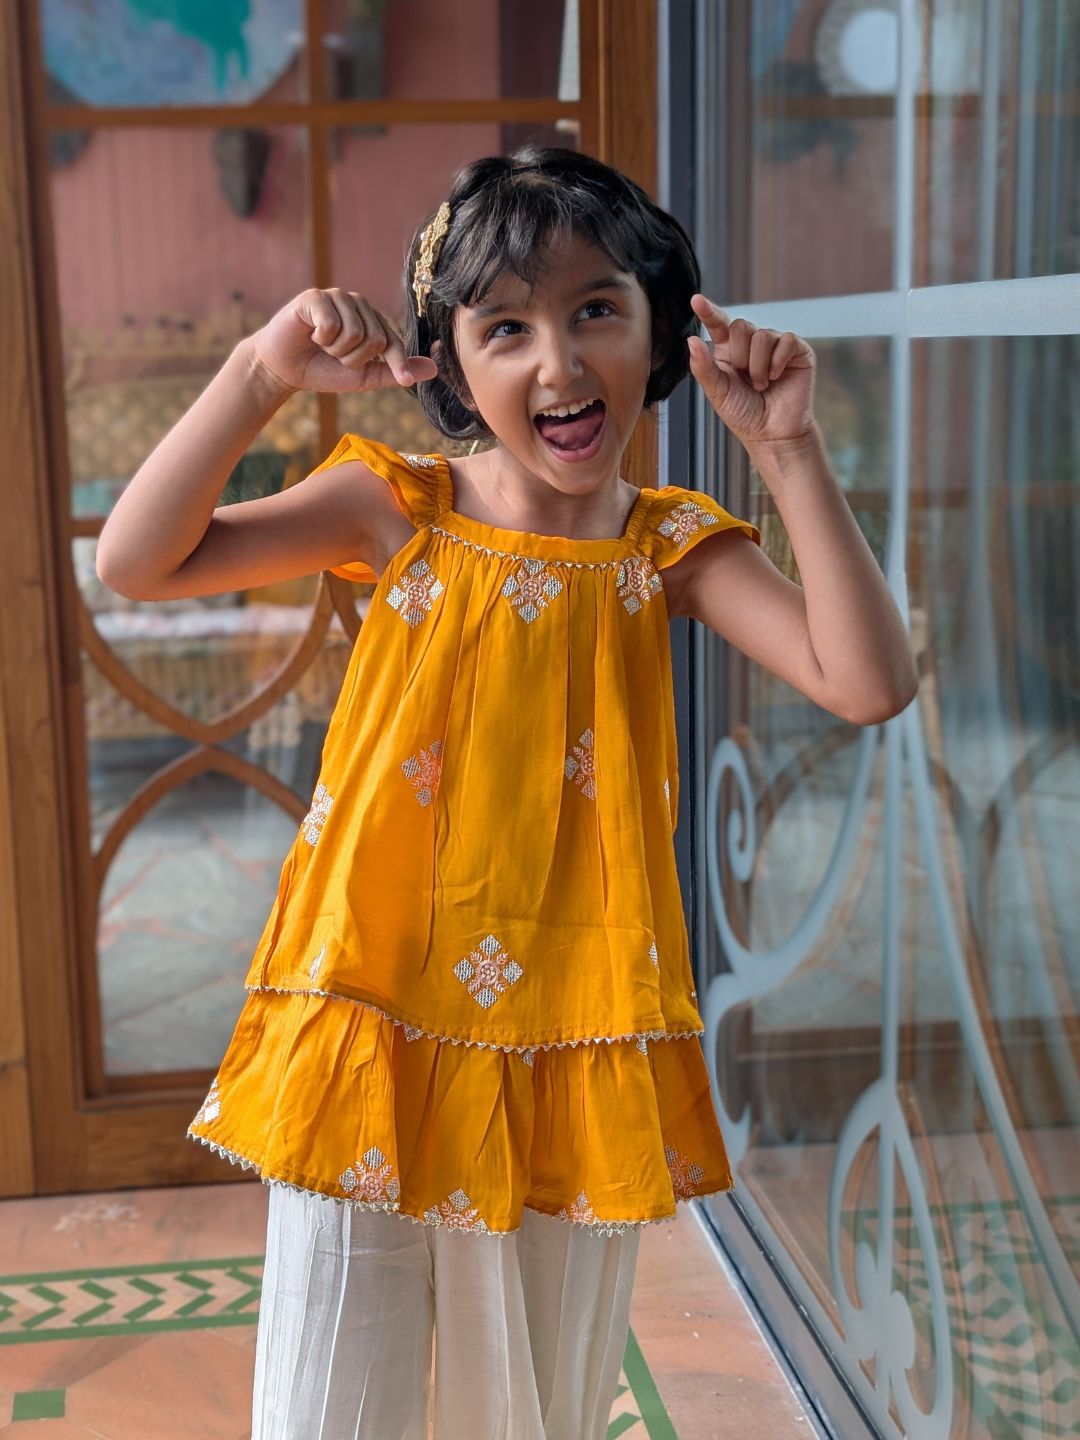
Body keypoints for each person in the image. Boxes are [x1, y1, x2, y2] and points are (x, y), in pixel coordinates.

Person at [96, 146, 918, 1438]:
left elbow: (867, 682)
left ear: (657, 329)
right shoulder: (393, 505)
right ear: (452, 366)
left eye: (596, 308)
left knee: (533, 1393)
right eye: (506, 328)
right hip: (370, 1008)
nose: (558, 362)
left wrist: (792, 449)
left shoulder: (671, 546)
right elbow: (140, 562)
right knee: (334, 1396)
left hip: (573, 1032)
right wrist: (261, 372)